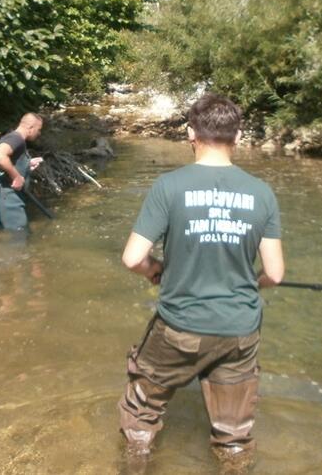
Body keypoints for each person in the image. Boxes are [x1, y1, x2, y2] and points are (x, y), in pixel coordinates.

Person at [117, 93, 285, 463]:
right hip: (240, 331)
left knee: (141, 414)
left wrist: (154, 270)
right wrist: (251, 283)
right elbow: (274, 274)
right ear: (238, 136)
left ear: (190, 133)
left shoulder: (169, 186)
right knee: (234, 436)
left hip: (181, 326)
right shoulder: (262, 193)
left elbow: (132, 258)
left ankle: (135, 464)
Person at [0, 112, 44, 231]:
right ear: (30, 128)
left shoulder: (16, 139)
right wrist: (16, 177)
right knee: (19, 235)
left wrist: (27, 164)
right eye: (39, 129)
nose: (39, 133)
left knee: (10, 234)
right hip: (8, 198)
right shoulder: (16, 138)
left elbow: (10, 160)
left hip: (9, 197)